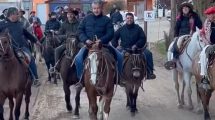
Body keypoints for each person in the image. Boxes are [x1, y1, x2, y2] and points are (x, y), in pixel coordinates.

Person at [74, 0, 123, 88]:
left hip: (104, 46)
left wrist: (101, 40)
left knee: (120, 56)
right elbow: (80, 31)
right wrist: (85, 40)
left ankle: (119, 78)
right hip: (89, 46)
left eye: (98, 8)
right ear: (92, 9)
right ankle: (81, 80)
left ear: (101, 8)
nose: (96, 10)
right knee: (78, 58)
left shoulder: (107, 20)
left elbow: (110, 33)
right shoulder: (86, 19)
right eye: (94, 8)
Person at [0, 7, 41, 86]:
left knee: (31, 59)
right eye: (17, 14)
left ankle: (35, 78)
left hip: (21, 47)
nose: (18, 16)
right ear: (11, 15)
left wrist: (36, 41)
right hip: (5, 49)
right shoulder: (2, 24)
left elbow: (27, 33)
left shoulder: (20, 23)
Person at [112, 12, 156, 80]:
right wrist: (116, 45)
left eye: (131, 18)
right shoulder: (121, 29)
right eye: (128, 18)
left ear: (133, 19)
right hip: (124, 49)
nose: (129, 19)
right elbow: (114, 38)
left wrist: (137, 45)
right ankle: (116, 74)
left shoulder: (138, 28)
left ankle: (150, 72)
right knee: (115, 55)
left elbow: (143, 38)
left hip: (137, 49)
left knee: (148, 54)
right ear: (125, 19)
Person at [165, 2, 202, 69]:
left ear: (189, 9)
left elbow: (200, 26)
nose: (185, 9)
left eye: (186, 7)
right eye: (183, 8)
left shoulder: (194, 16)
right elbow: (176, 28)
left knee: (201, 44)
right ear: (182, 9)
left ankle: (202, 61)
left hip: (192, 35)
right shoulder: (180, 18)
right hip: (182, 35)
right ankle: (174, 60)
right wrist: (176, 36)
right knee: (176, 44)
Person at [198, 6, 215, 84]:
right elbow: (202, 33)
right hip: (210, 44)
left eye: (209, 14)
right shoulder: (207, 22)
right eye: (207, 14)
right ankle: (204, 76)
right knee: (203, 55)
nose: (208, 16)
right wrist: (207, 42)